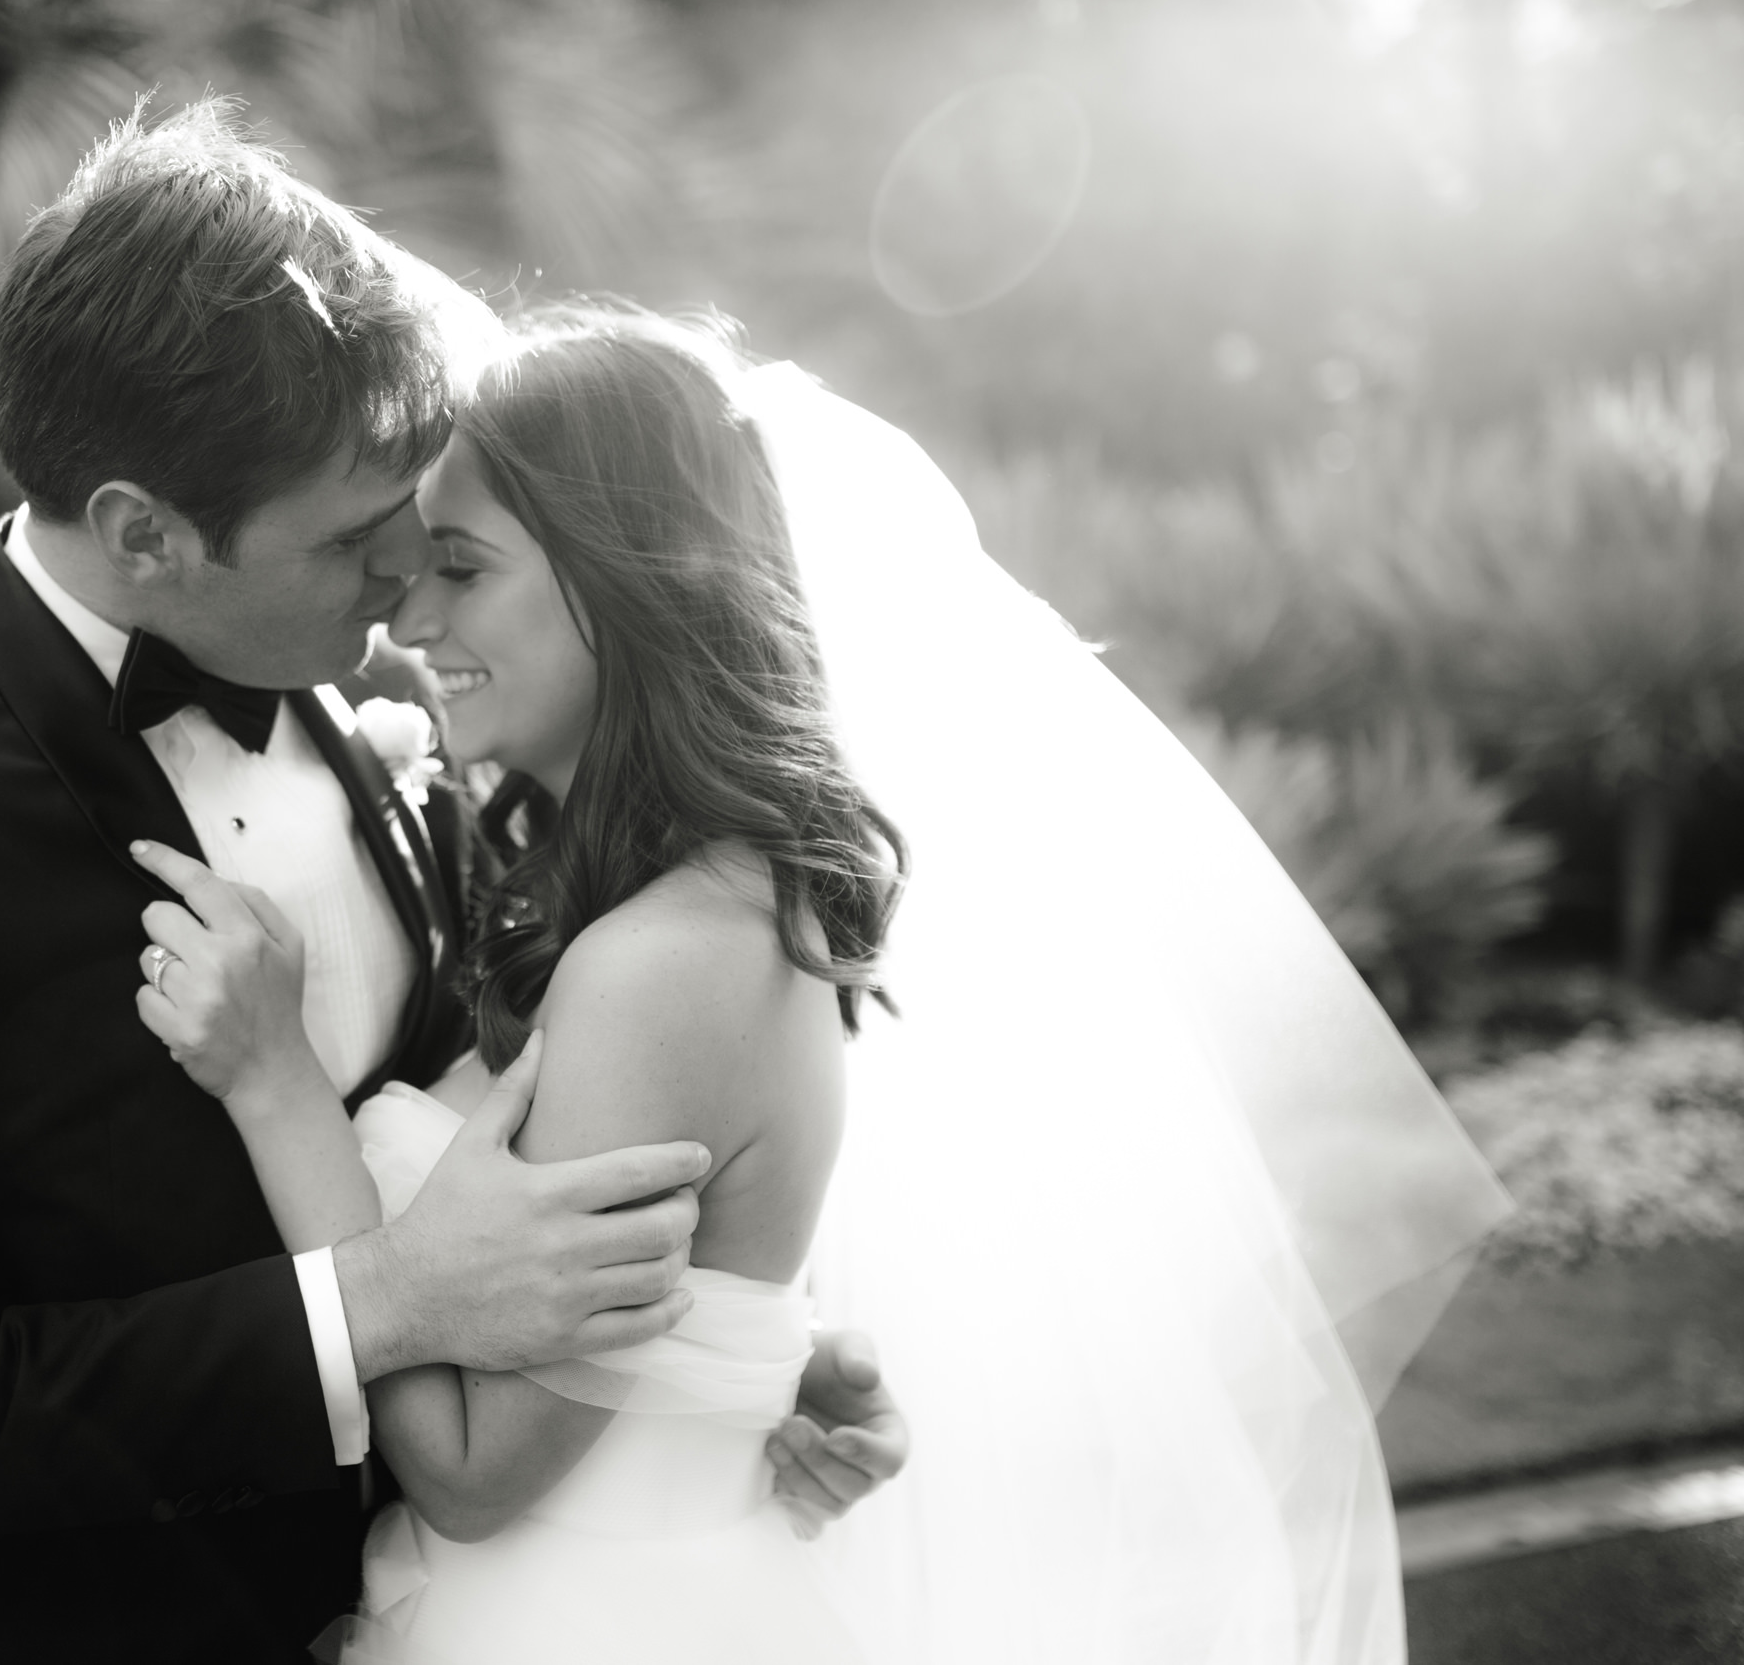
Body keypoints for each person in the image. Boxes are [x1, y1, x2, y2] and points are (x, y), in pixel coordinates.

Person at [0, 104, 902, 1664]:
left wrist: (728, 1384)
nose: (402, 586)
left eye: (421, 529)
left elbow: (553, 1134)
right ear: (145, 533)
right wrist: (374, 1307)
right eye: (353, 540)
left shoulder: (393, 730)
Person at [131, 302, 1514, 1664]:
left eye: (461, 567)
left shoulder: (660, 962)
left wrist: (278, 1085)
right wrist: (766, 1373)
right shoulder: (699, 903)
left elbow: (478, 1473)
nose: (405, 619)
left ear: (628, 584)